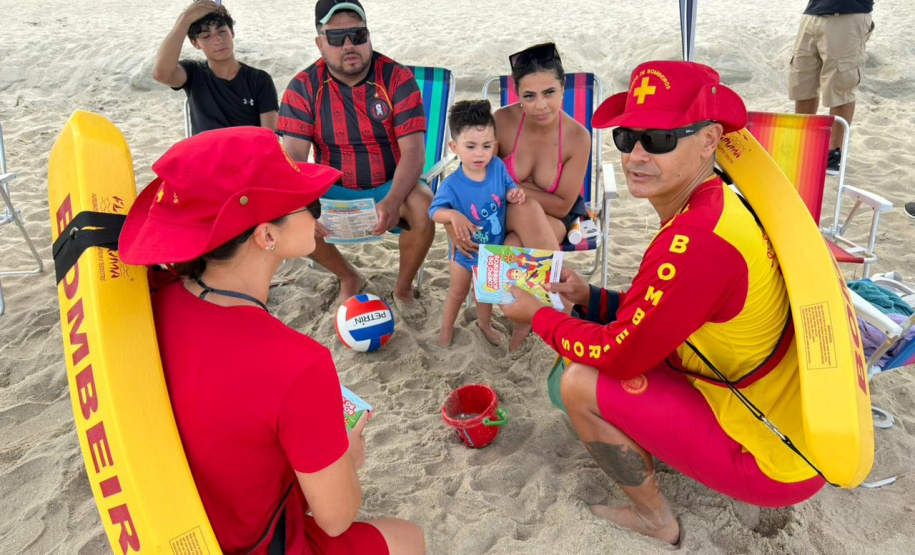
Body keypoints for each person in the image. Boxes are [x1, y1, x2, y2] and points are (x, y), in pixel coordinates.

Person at [501, 61, 827, 547]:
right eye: (628, 136)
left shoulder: (697, 241)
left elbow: (621, 353)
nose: (635, 155)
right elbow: (665, 315)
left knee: (577, 382)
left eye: (659, 139)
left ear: (710, 139)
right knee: (583, 354)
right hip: (777, 405)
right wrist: (589, 297)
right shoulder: (719, 202)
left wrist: (539, 315)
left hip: (772, 453)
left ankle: (656, 520)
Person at [118, 128, 425, 555]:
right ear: (267, 236)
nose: (317, 220)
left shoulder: (156, 301)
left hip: (187, 521)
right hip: (255, 541)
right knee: (408, 538)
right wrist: (348, 456)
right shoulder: (298, 363)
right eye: (308, 205)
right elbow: (336, 519)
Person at [277, 0, 433, 309]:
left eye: (358, 34)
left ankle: (403, 289)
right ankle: (348, 276)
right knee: (288, 211)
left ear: (369, 36)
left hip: (390, 186)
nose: (349, 45)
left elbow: (414, 153)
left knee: (423, 203)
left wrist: (394, 198)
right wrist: (305, 204)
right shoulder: (304, 86)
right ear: (320, 43)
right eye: (336, 37)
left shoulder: (396, 78)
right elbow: (293, 160)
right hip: (331, 193)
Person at [429, 100, 526, 347]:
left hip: (492, 250)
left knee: (486, 292)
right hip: (464, 252)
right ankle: (445, 331)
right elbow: (434, 211)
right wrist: (453, 216)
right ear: (455, 147)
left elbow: (508, 188)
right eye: (470, 146)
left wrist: (514, 194)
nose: (479, 153)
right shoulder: (452, 184)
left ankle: (484, 324)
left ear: (494, 145)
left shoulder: (496, 167)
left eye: (486, 146)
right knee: (458, 293)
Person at [493, 42, 592, 244]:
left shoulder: (577, 137)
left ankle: (501, 277)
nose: (540, 105)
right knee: (525, 209)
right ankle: (556, 276)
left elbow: (563, 206)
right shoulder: (503, 121)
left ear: (563, 87)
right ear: (518, 94)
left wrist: (507, 185)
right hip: (501, 213)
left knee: (513, 243)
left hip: (554, 219)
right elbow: (480, 176)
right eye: (529, 96)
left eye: (549, 93)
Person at [152, 1, 279, 135]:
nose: (218, 40)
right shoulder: (194, 74)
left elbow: (269, 138)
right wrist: (185, 19)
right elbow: (161, 73)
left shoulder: (259, 80)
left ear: (232, 32)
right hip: (206, 154)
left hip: (248, 154)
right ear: (195, 43)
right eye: (206, 36)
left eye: (222, 31)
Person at [789, 0, 874, 174]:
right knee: (802, 82)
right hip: (813, 12)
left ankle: (834, 152)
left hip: (848, 13)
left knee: (841, 84)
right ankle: (803, 143)